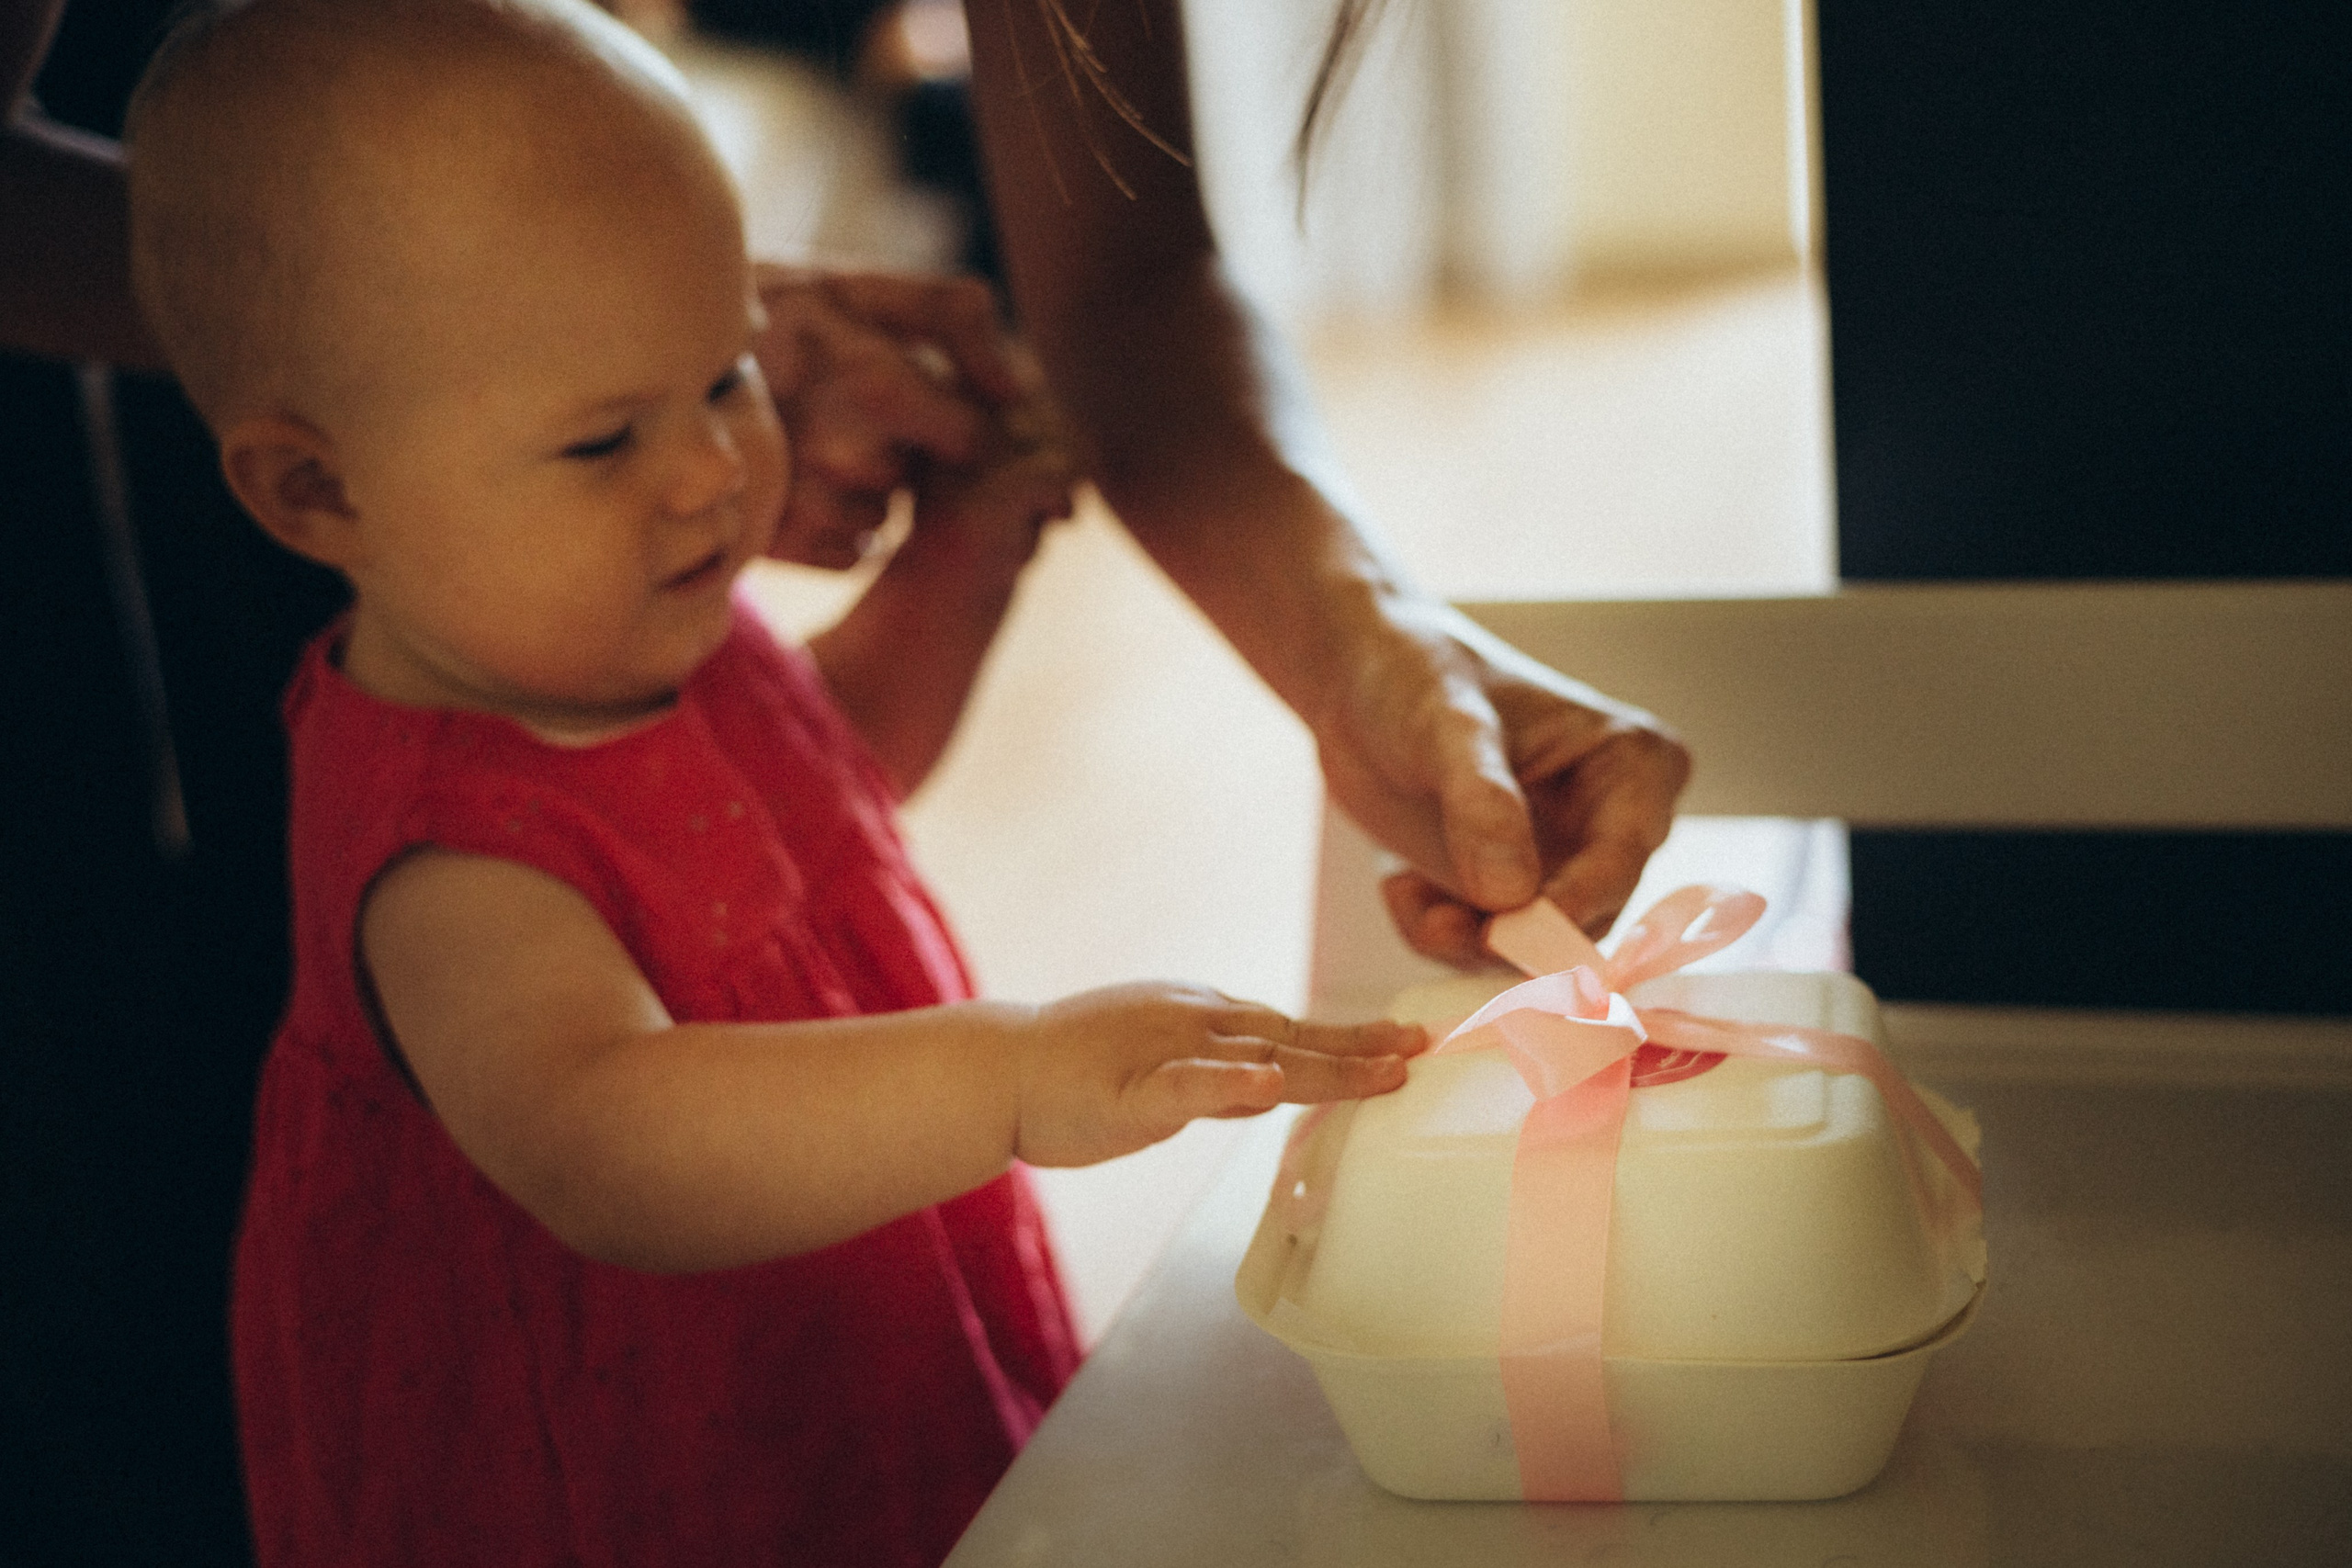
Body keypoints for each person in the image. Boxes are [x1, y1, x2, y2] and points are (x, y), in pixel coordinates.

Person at [121, 1, 1427, 1561]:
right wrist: (1007, 1077)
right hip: (632, 1454)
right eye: (605, 440)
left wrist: (958, 570)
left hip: (823, 1339)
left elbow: (823, 774)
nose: (714, 471)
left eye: (728, 372)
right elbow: (603, 1135)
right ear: (315, 489)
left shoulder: (618, 626)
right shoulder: (444, 844)